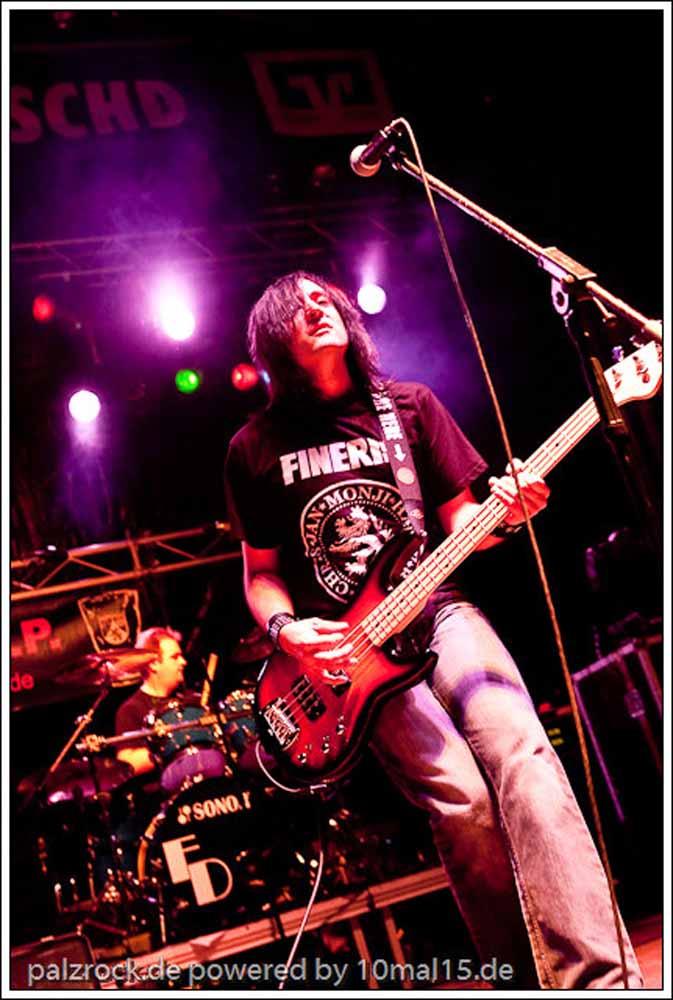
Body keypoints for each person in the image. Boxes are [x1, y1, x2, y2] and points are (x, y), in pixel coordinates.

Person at [224, 271, 643, 989]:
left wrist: (509, 510)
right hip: (348, 659)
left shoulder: (409, 406)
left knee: (524, 758)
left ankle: (599, 979)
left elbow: (462, 524)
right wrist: (288, 631)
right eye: (296, 307)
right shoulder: (254, 447)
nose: (316, 307)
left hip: (439, 610)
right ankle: (517, 980)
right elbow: (260, 574)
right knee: (463, 804)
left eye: (324, 297)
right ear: (271, 340)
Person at [115, 626, 188, 778]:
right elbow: (128, 763)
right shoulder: (131, 710)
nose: (183, 662)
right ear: (153, 664)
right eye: (175, 657)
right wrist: (172, 744)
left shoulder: (190, 699)